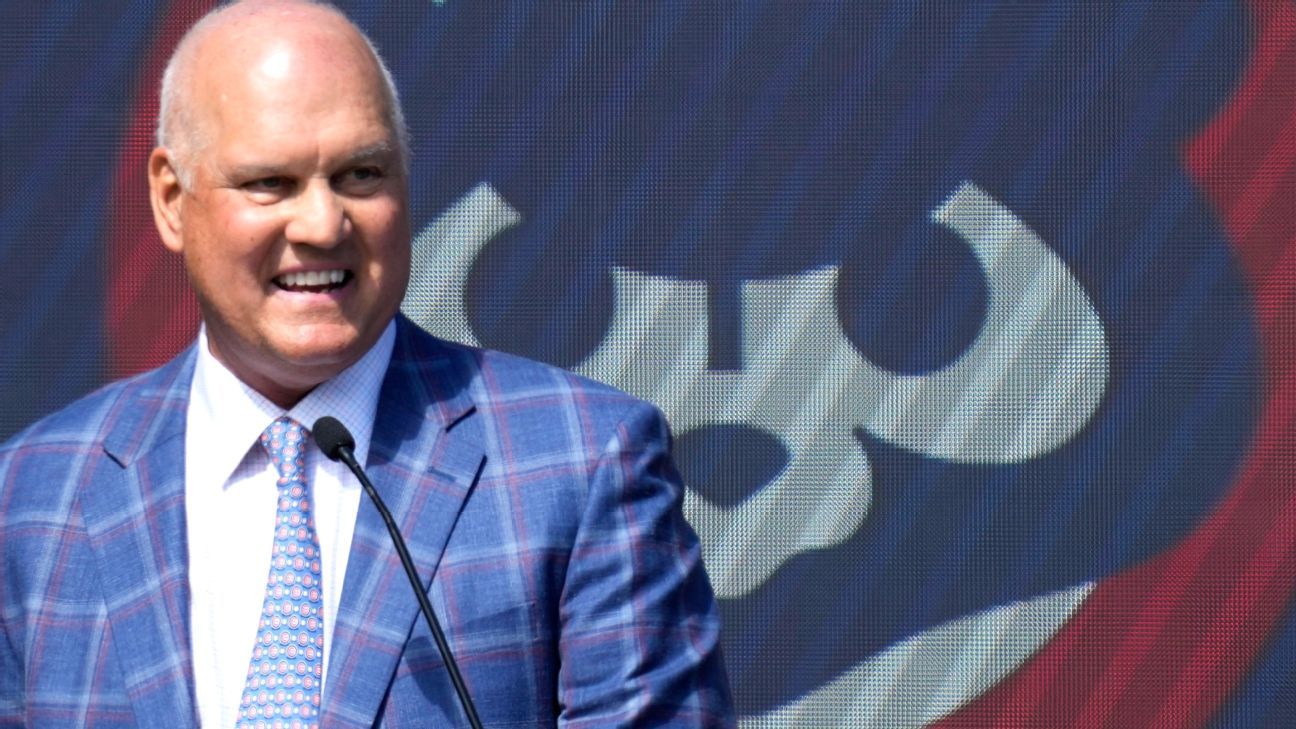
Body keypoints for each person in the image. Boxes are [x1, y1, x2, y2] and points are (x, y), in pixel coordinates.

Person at [0, 1, 733, 726]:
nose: (323, 225)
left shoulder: (581, 460)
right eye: (270, 182)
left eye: (360, 174)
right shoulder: (33, 495)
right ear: (170, 200)